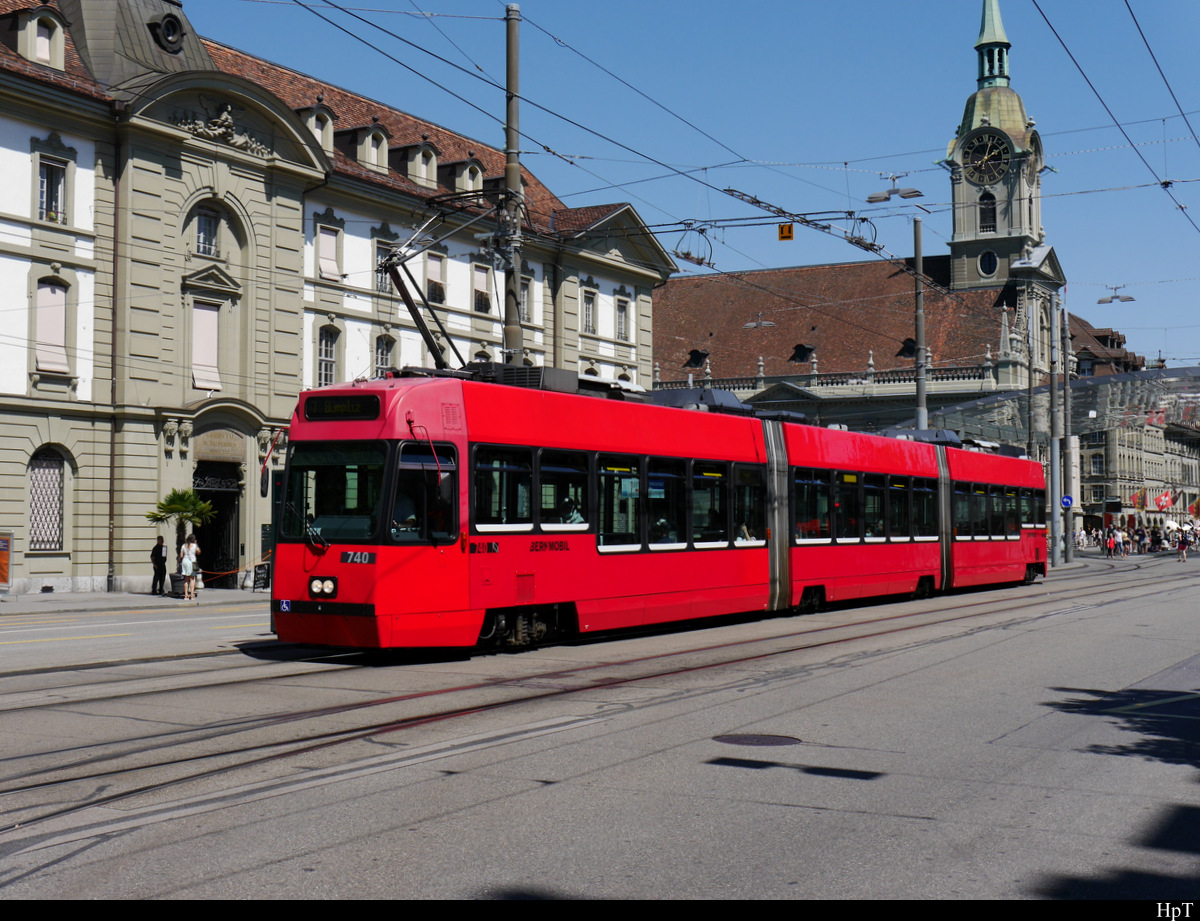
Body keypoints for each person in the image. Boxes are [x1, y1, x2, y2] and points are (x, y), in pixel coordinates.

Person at [179, 534, 200, 600]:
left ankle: (186, 595)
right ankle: (192, 595)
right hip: (193, 562)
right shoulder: (194, 545)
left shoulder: (183, 546)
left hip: (185, 561)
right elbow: (199, 552)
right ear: (193, 540)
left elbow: (181, 556)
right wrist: (196, 545)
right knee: (192, 579)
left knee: (186, 579)